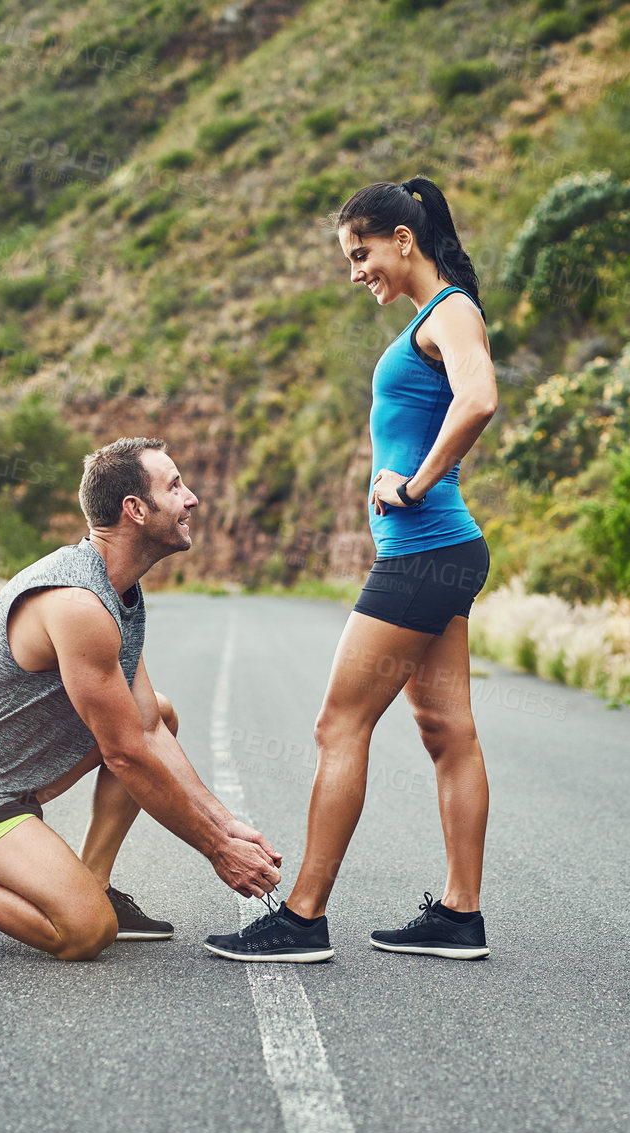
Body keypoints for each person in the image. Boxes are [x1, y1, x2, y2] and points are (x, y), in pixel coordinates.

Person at [205, 176, 496, 964]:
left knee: (338, 725)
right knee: (445, 729)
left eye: (360, 252)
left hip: (424, 551)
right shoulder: (431, 320)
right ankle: (458, 914)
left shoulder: (451, 313)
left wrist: (412, 483)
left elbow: (479, 400)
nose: (356, 268)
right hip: (438, 554)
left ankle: (301, 915)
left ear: (403, 240)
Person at [0, 437, 282, 960]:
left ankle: (93, 883)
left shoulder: (118, 590)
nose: (191, 499)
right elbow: (123, 752)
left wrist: (224, 823)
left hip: (9, 774)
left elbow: (146, 727)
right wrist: (217, 852)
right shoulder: (78, 603)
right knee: (83, 934)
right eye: (175, 486)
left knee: (160, 713)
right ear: (135, 511)